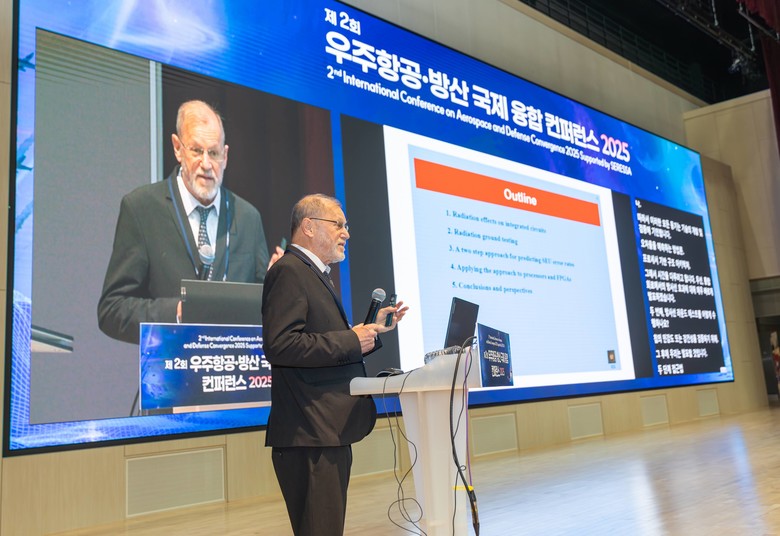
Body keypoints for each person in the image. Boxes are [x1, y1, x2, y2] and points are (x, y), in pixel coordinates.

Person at [261, 193, 408, 536]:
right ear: (309, 227)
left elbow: (321, 344)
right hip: (309, 434)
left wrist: (367, 333)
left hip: (324, 432)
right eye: (338, 225)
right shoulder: (289, 271)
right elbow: (281, 345)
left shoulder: (313, 274)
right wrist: (351, 339)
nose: (346, 233)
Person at [98, 99, 282, 344]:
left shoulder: (248, 217)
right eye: (196, 150)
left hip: (230, 364)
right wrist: (177, 313)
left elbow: (263, 313)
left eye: (214, 153)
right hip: (170, 365)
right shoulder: (142, 209)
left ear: (225, 156)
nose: (206, 164)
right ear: (177, 148)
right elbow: (112, 309)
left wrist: (274, 287)